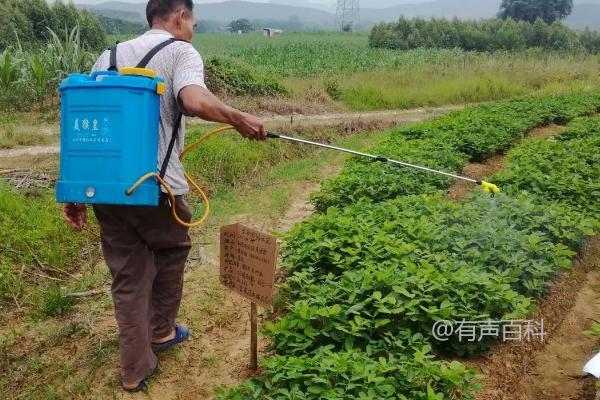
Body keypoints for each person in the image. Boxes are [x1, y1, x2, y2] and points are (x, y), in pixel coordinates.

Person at [62, 0, 266, 392]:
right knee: (172, 249)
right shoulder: (180, 51)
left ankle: (134, 369)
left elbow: (86, 129)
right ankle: (160, 331)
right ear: (179, 16)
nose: (193, 30)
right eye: (192, 21)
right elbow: (192, 99)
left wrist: (75, 193)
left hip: (107, 190)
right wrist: (239, 118)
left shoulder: (109, 54)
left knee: (128, 274)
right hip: (158, 188)